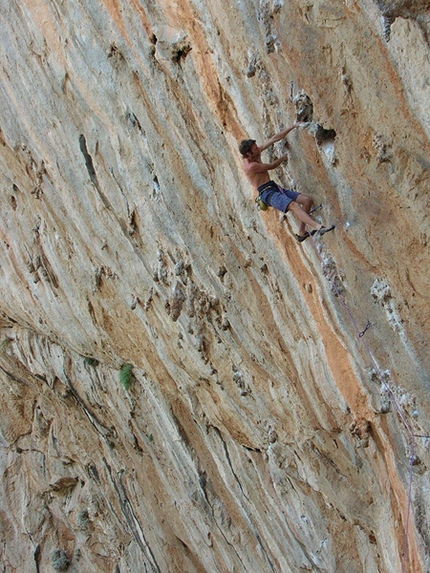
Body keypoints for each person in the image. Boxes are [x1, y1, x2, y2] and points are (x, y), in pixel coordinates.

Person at [239, 122, 335, 242]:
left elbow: (274, 138)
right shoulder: (251, 166)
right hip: (267, 194)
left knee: (307, 200)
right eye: (255, 148)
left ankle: (301, 233)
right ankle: (318, 227)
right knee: (293, 205)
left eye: (257, 146)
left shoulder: (255, 154)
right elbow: (271, 166)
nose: (258, 148)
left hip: (273, 188)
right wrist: (283, 158)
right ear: (249, 154)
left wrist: (293, 126)